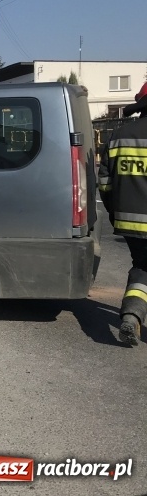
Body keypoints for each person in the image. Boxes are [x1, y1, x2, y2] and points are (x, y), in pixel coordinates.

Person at [98, 80, 147, 346]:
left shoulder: (119, 136)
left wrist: (114, 211)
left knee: (142, 267)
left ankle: (131, 315)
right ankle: (131, 316)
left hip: (129, 222)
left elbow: (105, 183)